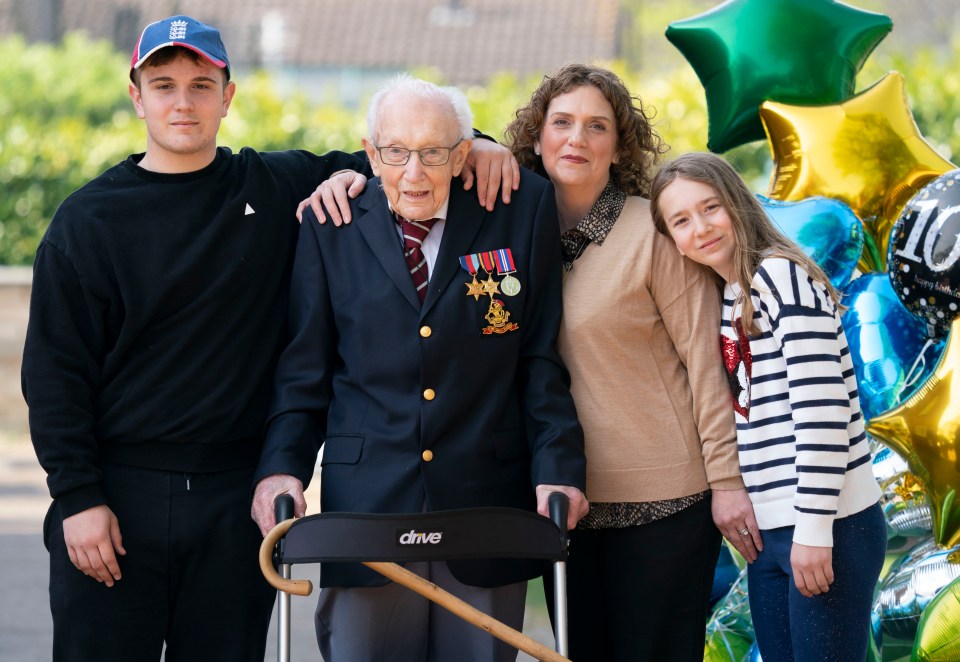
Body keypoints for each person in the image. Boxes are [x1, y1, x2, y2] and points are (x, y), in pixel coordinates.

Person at [20, 15, 517, 662]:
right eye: (163, 84)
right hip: (118, 498)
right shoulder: (88, 220)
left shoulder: (275, 185)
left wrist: (478, 144)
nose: (183, 101)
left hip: (236, 498)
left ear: (228, 97)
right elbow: (55, 374)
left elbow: (399, 154)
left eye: (201, 84)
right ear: (137, 95)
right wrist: (78, 497)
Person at [250, 74, 588, 661]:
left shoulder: (519, 206)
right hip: (368, 510)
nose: (414, 172)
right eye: (396, 152)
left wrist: (559, 467)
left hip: (486, 500)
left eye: (434, 153)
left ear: (462, 153)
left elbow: (538, 357)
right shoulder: (331, 223)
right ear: (370, 152)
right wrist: (281, 470)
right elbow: (304, 370)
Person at [502, 64, 759, 661]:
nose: (577, 139)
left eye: (598, 126)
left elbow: (705, 363)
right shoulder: (513, 233)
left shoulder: (652, 232)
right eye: (561, 123)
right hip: (562, 506)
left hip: (665, 507)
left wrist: (725, 482)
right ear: (536, 136)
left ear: (619, 147)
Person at [650, 151, 885, 662]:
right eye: (682, 221)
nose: (702, 228)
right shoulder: (734, 294)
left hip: (828, 523)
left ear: (736, 202)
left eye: (710, 207)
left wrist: (814, 530)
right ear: (673, 242)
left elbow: (821, 415)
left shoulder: (780, 277)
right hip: (777, 530)